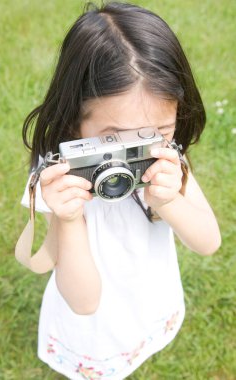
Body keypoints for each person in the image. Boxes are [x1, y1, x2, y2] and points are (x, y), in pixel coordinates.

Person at [20, 2, 221, 379]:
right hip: (96, 325)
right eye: (112, 138)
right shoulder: (61, 177)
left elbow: (209, 242)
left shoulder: (164, 159)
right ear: (75, 119)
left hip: (147, 295)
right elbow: (84, 302)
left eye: (155, 132)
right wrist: (69, 218)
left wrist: (169, 199)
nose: (129, 157)